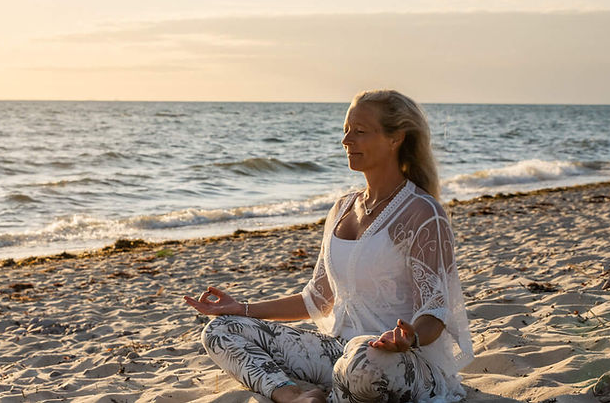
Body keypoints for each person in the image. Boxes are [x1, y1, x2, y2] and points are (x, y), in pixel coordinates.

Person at [184, 90, 473, 403]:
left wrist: (408, 337)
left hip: (395, 361)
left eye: (359, 132)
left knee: (364, 360)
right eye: (346, 130)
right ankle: (292, 395)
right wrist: (242, 309)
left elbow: (435, 311)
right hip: (336, 352)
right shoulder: (342, 208)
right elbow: (316, 299)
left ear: (396, 138)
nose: (346, 140)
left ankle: (338, 392)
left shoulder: (422, 212)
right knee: (221, 330)